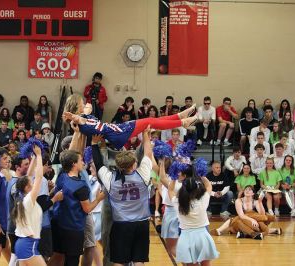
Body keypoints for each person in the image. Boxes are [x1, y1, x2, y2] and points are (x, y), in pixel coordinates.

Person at [91, 127, 153, 266]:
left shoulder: (111, 179)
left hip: (121, 225)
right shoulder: (142, 175)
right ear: (134, 163)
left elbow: (99, 164)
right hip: (141, 224)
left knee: (119, 261)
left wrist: (95, 144)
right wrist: (145, 136)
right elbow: (148, 155)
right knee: (138, 261)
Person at [63, 94, 197, 150]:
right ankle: (182, 123)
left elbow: (87, 109)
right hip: (117, 134)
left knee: (152, 120)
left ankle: (180, 116)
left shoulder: (83, 115)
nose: (83, 104)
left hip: (116, 129)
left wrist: (84, 108)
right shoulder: (78, 121)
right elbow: (78, 119)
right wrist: (72, 116)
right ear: (76, 106)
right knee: (150, 121)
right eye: (80, 103)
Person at [52, 149, 105, 266]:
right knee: (72, 261)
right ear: (73, 164)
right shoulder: (81, 186)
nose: (83, 163)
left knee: (59, 257)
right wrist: (98, 199)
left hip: (58, 226)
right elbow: (87, 209)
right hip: (74, 229)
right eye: (80, 160)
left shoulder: (62, 176)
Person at [12, 146, 62, 266]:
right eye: (32, 183)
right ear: (27, 188)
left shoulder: (21, 197)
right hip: (29, 245)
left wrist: (34, 158)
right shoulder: (29, 199)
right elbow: (39, 176)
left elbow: (28, 176)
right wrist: (39, 156)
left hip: (22, 244)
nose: (34, 183)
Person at [169, 175, 219, 265]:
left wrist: (173, 176)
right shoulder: (203, 199)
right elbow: (208, 185)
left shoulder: (178, 203)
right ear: (197, 188)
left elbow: (170, 190)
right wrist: (202, 174)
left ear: (183, 189)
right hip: (202, 237)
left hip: (186, 238)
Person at [211, 186, 280, 239]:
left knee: (263, 218)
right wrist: (252, 219)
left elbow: (262, 215)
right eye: (246, 189)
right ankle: (257, 233)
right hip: (241, 221)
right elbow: (241, 215)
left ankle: (244, 234)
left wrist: (260, 202)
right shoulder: (238, 200)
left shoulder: (255, 201)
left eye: (249, 189)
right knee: (238, 220)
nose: (247, 190)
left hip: (252, 223)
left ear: (253, 193)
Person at [158, 158, 186, 257]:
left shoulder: (177, 184)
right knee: (172, 248)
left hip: (173, 213)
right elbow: (162, 178)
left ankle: (189, 263)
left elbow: (161, 178)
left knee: (173, 248)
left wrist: (161, 164)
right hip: (173, 212)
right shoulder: (177, 182)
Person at [6, 156, 30, 266]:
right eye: (26, 164)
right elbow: (20, 206)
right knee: (16, 256)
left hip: (15, 225)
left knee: (16, 256)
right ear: (17, 167)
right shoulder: (16, 184)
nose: (28, 166)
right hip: (16, 227)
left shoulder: (13, 181)